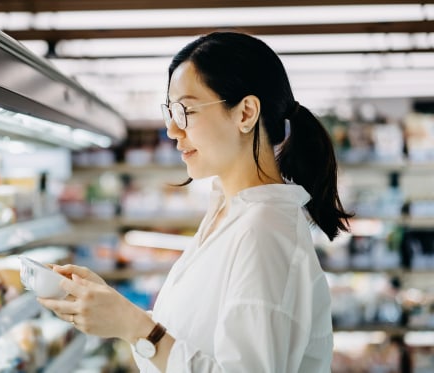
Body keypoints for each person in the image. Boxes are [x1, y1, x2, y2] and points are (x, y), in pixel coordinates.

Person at [38, 31, 352, 372]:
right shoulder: (231, 211)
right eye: (170, 111)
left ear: (245, 113)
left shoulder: (264, 232)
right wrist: (115, 311)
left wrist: (135, 327)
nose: (173, 129)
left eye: (186, 110)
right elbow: (199, 338)